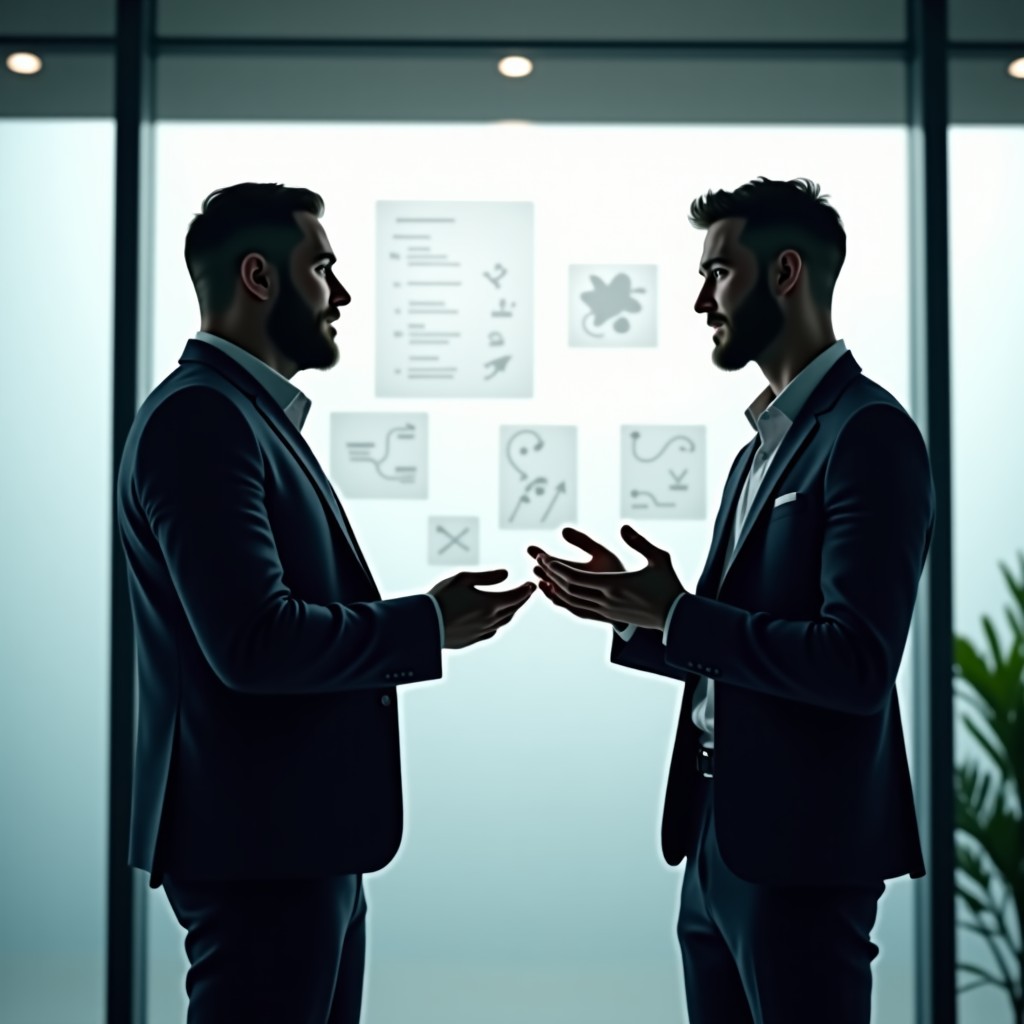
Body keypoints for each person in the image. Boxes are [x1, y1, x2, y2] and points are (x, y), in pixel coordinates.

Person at [116, 182, 535, 1024]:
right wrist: (428, 625)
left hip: (293, 843)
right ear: (259, 278)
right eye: (324, 268)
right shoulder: (204, 420)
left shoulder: (243, 417)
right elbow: (253, 642)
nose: (341, 294)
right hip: (260, 850)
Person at [529, 177, 934, 1024]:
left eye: (717, 272)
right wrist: (634, 612)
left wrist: (675, 611)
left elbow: (854, 664)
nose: (699, 298)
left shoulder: (870, 435)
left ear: (784, 272)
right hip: (716, 836)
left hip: (802, 852)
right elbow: (733, 640)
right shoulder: (759, 453)